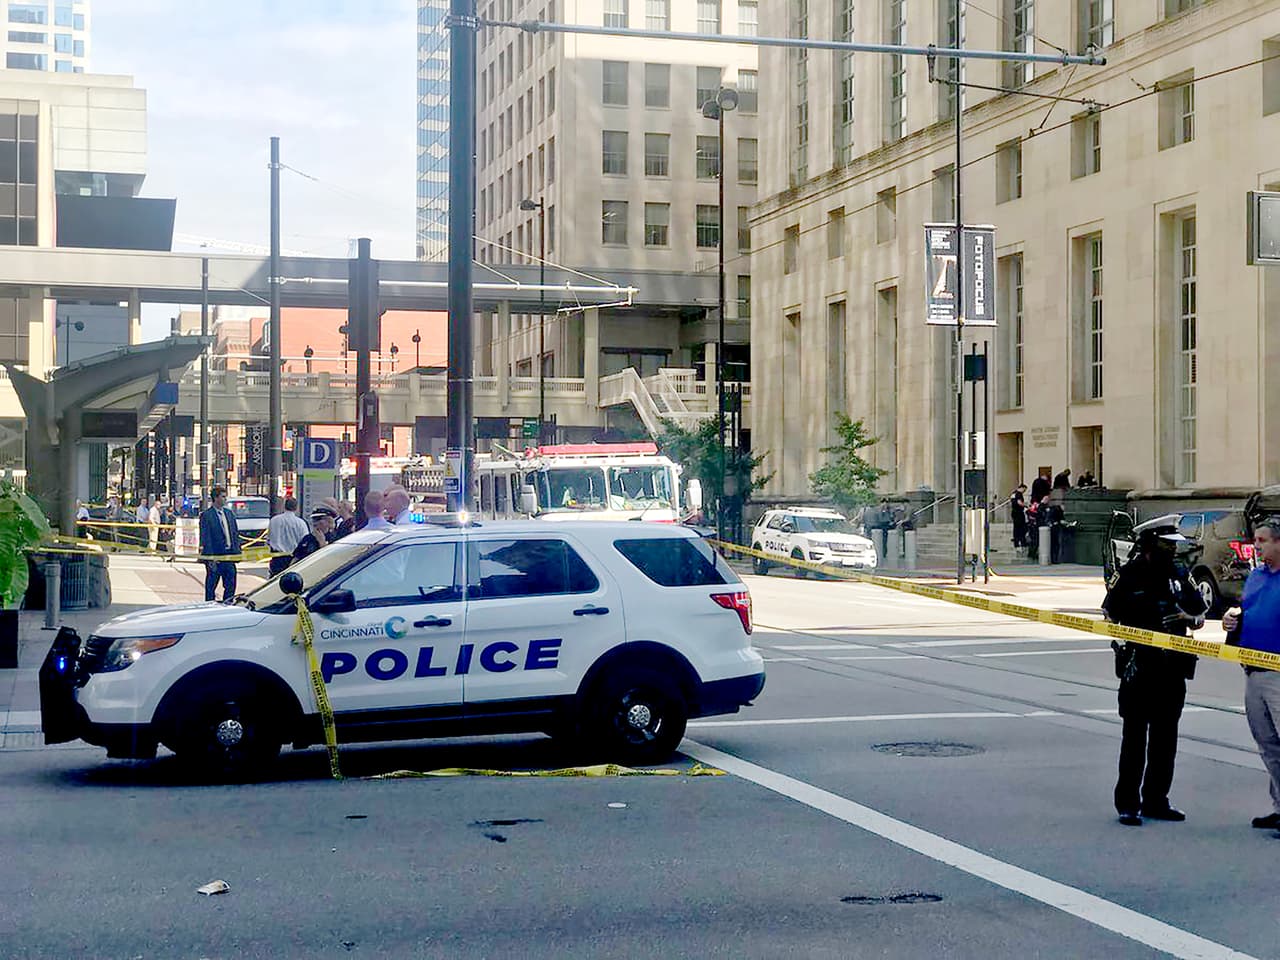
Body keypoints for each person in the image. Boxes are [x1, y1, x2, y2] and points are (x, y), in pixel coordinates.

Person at [1102, 525, 1207, 826]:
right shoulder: (1129, 574)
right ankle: (1128, 804)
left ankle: (1156, 799)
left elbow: (1199, 614)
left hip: (1172, 666)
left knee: (1166, 737)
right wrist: (1126, 632)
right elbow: (1109, 613)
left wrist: (1188, 618)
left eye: (1174, 544)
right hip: (1139, 667)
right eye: (1167, 543)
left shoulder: (1180, 572)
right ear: (1150, 543)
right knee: (1134, 737)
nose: (1173, 549)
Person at [1223, 517, 1280, 832]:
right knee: (1267, 744)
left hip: (1277, 674)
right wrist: (1233, 622)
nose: (1256, 546)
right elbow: (1249, 612)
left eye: (1262, 540)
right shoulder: (1256, 576)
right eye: (1255, 540)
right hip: (1252, 671)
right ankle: (1279, 806)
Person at [199, 487, 241, 602]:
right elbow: (206, 537)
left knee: (231, 584)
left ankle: (228, 603)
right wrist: (210, 558)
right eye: (223, 496)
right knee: (211, 585)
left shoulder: (229, 514)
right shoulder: (207, 515)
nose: (225, 499)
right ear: (215, 498)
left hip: (229, 555)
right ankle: (209, 605)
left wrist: (237, 552)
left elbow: (234, 533)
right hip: (216, 556)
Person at [266, 497, 309, 577]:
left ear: (284, 506)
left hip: (277, 559)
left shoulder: (274, 520)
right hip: (294, 559)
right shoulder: (301, 523)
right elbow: (305, 541)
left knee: (275, 580)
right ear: (296, 508)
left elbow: (269, 540)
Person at [1010, 484, 1028, 549]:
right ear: (1022, 488)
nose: (1024, 492)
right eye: (1024, 490)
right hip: (1019, 512)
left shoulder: (1013, 493)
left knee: (1016, 528)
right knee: (1022, 528)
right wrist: (1026, 506)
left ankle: (1016, 542)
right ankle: (1023, 542)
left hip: (1014, 512)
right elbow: (1019, 502)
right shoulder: (1019, 494)